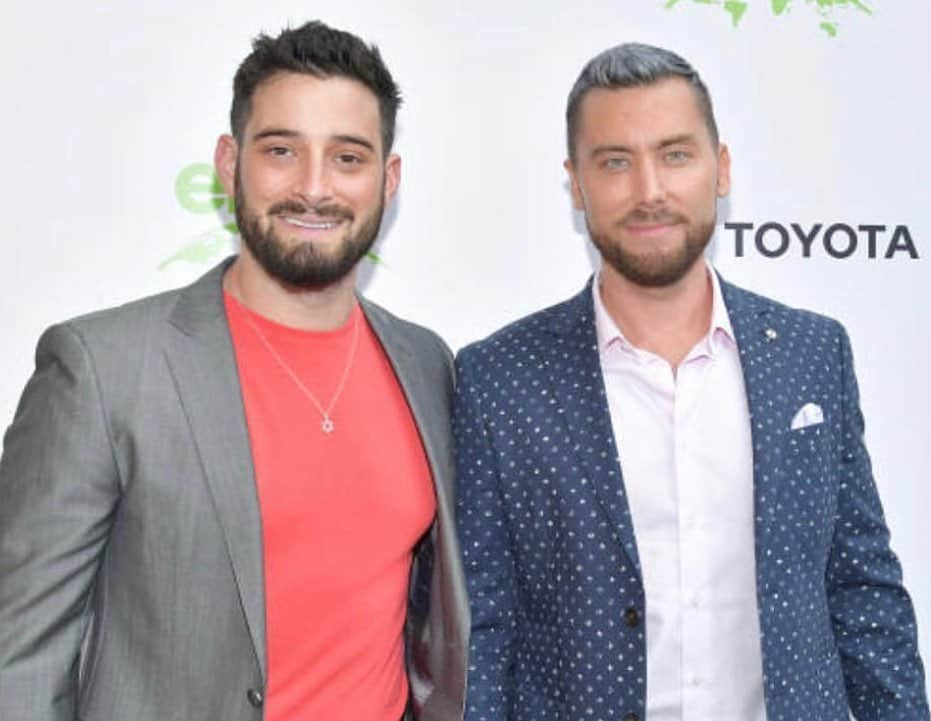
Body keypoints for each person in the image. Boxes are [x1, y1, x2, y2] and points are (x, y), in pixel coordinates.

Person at [0, 20, 467, 721]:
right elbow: (21, 656)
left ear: (387, 179)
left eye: (347, 157)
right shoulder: (103, 369)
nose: (314, 188)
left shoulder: (427, 364)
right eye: (281, 150)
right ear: (229, 162)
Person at [453, 42, 928, 721]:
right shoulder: (500, 378)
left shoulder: (810, 353)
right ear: (576, 183)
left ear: (720, 167)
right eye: (614, 162)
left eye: (675, 154)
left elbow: (861, 589)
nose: (649, 190)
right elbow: (483, 628)